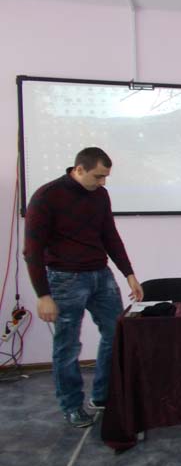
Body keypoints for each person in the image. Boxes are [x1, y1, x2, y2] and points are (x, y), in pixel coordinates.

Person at [24, 147, 143, 428]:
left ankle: (102, 395)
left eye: (106, 177)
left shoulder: (100, 195)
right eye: (98, 176)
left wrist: (129, 274)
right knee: (68, 345)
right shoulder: (46, 196)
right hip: (64, 278)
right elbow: (32, 250)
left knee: (117, 332)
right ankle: (72, 406)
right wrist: (43, 295)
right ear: (79, 169)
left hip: (100, 275)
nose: (103, 182)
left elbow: (110, 236)